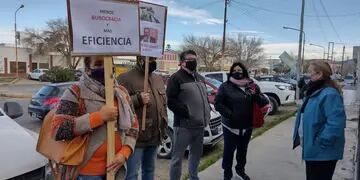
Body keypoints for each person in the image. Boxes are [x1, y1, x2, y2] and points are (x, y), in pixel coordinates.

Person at [52, 56, 139, 180]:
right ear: (88, 69)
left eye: (109, 63)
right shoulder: (75, 92)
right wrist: (98, 117)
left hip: (115, 171)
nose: (106, 67)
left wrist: (125, 152)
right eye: (99, 64)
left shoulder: (122, 93)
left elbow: (134, 126)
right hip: (85, 173)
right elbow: (58, 129)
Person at [214, 62, 269, 180]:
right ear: (231, 72)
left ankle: (240, 171)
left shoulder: (251, 85)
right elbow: (218, 104)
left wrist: (256, 96)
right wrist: (230, 114)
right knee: (229, 151)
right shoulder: (225, 86)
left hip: (247, 126)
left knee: (242, 151)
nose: (237, 72)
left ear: (244, 71)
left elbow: (264, 102)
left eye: (239, 70)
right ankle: (227, 173)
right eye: (234, 70)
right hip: (230, 126)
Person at [293, 60, 346, 180]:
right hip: (314, 149)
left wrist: (321, 142)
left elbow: (336, 123)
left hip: (322, 152)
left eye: (310, 73)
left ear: (319, 74)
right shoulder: (315, 90)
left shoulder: (329, 94)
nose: (308, 76)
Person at [117, 56, 168, 180]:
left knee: (149, 170)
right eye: (149, 59)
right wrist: (137, 99)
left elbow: (163, 105)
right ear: (140, 59)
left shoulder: (157, 78)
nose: (153, 62)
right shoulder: (125, 78)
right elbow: (118, 105)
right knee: (132, 174)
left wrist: (164, 127)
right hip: (136, 138)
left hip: (155, 135)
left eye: (154, 59)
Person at [166, 50, 211, 180]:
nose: (193, 62)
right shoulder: (176, 78)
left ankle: (193, 177)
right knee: (177, 158)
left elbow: (204, 98)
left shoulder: (200, 77)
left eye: (195, 59)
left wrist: (206, 111)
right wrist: (187, 113)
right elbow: (171, 101)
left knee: (196, 155)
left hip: (200, 125)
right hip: (183, 126)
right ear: (182, 62)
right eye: (190, 59)